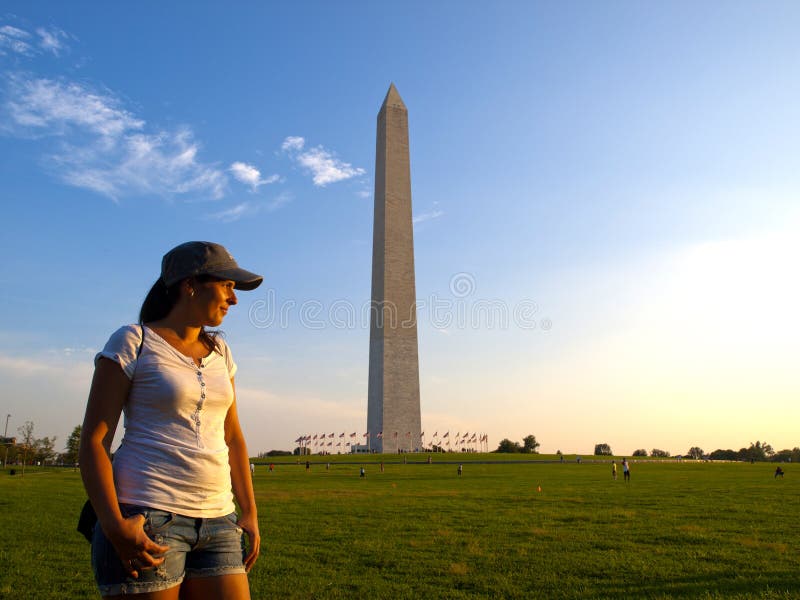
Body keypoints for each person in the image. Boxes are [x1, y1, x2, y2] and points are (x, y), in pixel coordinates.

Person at [79, 241, 263, 600]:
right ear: (189, 284)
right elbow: (94, 442)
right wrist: (114, 525)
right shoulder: (134, 341)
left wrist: (250, 511)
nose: (234, 298)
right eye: (227, 285)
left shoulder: (221, 351)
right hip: (147, 516)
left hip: (219, 519)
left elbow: (233, 437)